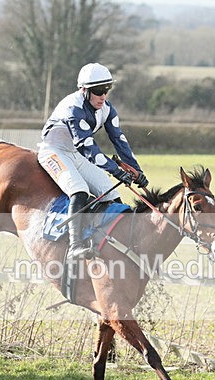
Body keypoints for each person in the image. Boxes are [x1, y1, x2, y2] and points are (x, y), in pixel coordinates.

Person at [38, 62, 148, 261]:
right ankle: (75, 246)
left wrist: (136, 171)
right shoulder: (73, 108)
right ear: (84, 90)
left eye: (107, 89)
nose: (103, 96)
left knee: (110, 192)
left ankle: (117, 240)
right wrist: (115, 170)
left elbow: (119, 140)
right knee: (79, 190)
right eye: (98, 91)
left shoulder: (107, 109)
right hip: (54, 152)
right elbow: (87, 147)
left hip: (76, 154)